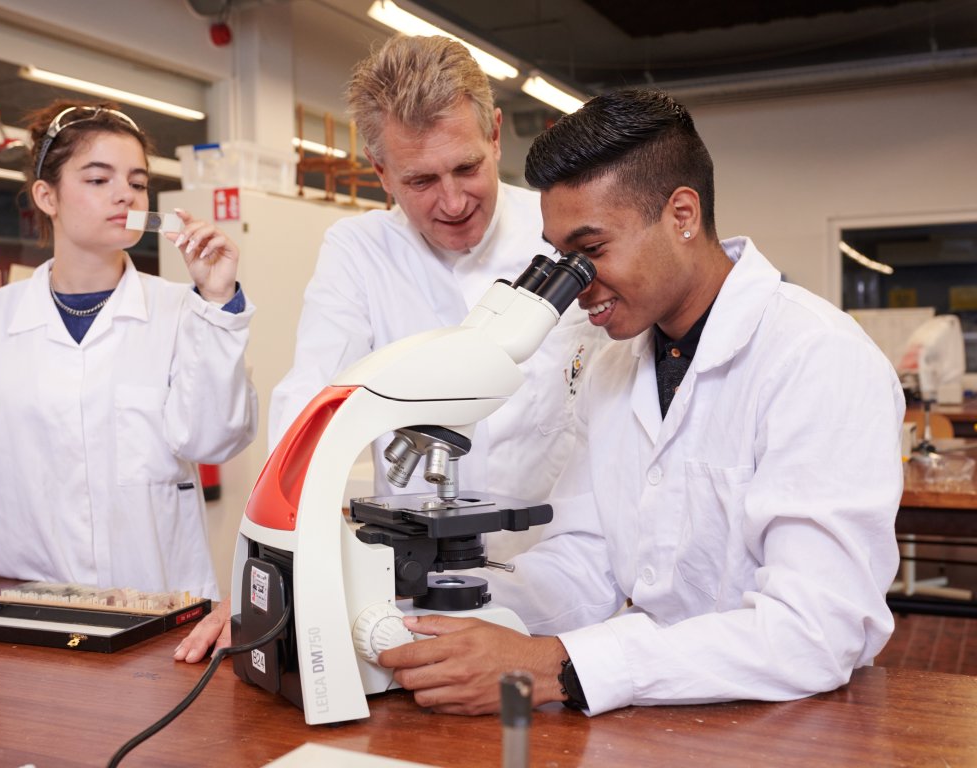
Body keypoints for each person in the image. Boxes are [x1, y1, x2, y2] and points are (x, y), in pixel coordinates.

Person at [376, 88, 905, 716]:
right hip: (655, 712)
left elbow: (815, 632)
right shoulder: (613, 365)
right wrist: (420, 609)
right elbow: (588, 558)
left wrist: (559, 667)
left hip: (786, 720)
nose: (577, 288)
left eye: (592, 251)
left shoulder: (817, 359)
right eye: (561, 257)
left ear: (682, 215)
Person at [0, 101, 255, 648]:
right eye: (98, 178)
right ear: (47, 196)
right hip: (32, 609)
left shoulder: (186, 310)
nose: (125, 195)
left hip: (163, 614)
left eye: (137, 182)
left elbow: (213, 440)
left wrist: (217, 300)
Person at [271, 34, 608, 558]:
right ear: (381, 172)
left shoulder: (561, 235)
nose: (452, 202)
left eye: (467, 168)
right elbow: (312, 398)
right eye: (421, 180)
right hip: (414, 571)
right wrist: (274, 552)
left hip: (558, 566)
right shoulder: (359, 252)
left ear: (495, 137)